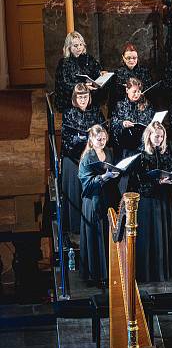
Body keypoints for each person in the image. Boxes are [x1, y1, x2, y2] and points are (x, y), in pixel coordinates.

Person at [129, 122, 172, 282]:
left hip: (163, 199)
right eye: (156, 136)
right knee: (150, 236)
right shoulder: (140, 155)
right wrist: (157, 183)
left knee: (163, 233)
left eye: (162, 136)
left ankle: (164, 270)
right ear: (148, 136)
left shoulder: (166, 152)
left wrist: (171, 179)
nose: (159, 139)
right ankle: (148, 272)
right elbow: (137, 182)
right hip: (147, 201)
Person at [78, 124, 121, 285]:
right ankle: (97, 275)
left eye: (104, 138)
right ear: (91, 139)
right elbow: (86, 184)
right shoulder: (87, 157)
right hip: (94, 200)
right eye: (99, 139)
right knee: (97, 235)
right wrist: (102, 178)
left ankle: (111, 271)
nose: (102, 141)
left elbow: (114, 174)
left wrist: (116, 173)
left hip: (109, 198)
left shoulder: (109, 152)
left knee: (109, 233)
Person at [61, 84, 105, 235]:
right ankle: (75, 226)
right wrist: (82, 138)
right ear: (75, 98)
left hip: (92, 155)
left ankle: (95, 221)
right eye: (80, 97)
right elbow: (66, 140)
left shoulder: (96, 111)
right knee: (74, 176)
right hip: (73, 156)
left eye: (85, 97)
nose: (83, 100)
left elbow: (103, 131)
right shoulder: (68, 113)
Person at [55, 31, 103, 112]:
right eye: (76, 46)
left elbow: (96, 69)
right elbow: (64, 85)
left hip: (88, 94)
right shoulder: (64, 63)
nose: (79, 48)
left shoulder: (88, 57)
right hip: (70, 98)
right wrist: (83, 87)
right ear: (69, 47)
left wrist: (101, 73)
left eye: (81, 45)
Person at [111, 77, 155, 157]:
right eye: (134, 92)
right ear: (127, 90)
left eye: (139, 91)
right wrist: (123, 124)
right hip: (126, 144)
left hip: (143, 142)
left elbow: (151, 120)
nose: (137, 94)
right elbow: (113, 124)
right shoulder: (120, 105)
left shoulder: (146, 104)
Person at [111, 43, 153, 110]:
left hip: (142, 105)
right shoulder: (117, 73)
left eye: (134, 58)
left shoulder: (144, 71)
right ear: (123, 58)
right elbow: (114, 97)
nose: (132, 60)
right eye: (128, 58)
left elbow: (150, 90)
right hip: (124, 107)